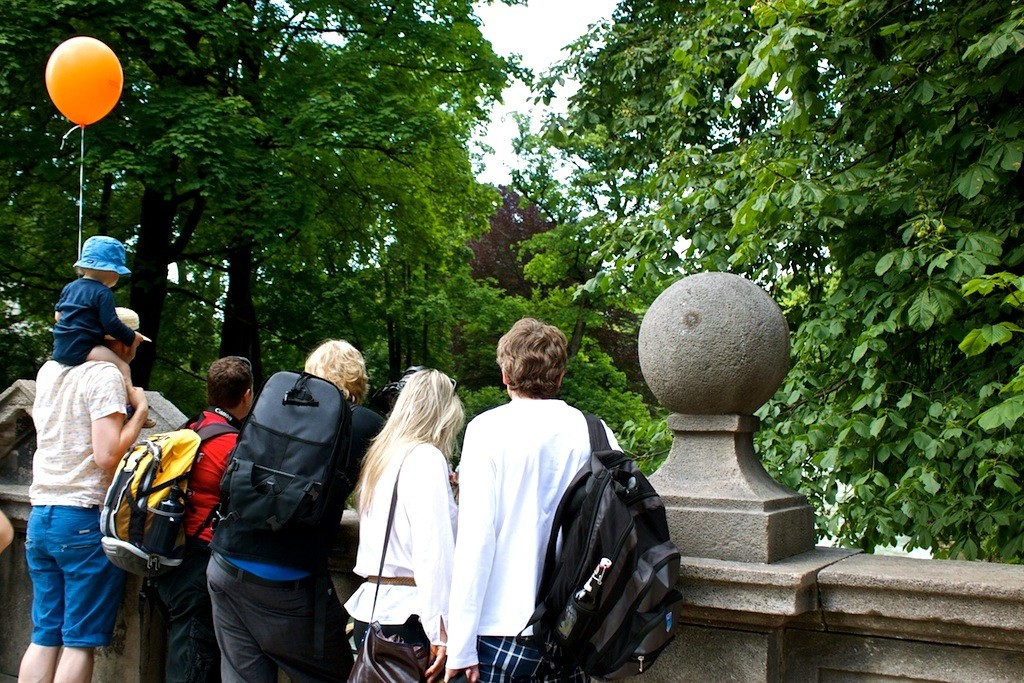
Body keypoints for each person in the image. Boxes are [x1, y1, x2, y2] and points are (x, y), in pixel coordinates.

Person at [445, 318, 619, 683]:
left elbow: (475, 542)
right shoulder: (595, 430)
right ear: (560, 375)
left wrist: (460, 646)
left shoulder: (487, 429)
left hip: (501, 626)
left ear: (506, 375)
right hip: (572, 627)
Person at [208, 339, 385, 683]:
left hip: (225, 562)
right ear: (357, 379)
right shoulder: (364, 423)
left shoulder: (274, 406)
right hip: (285, 581)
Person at [19, 306, 150, 683]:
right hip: (81, 518)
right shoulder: (104, 375)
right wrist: (139, 410)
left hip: (41, 514)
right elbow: (107, 455)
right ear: (122, 341)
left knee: (44, 635)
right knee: (78, 642)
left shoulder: (50, 370)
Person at [346, 369, 463, 683]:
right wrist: (443, 630)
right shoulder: (426, 458)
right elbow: (433, 551)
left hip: (372, 613)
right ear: (443, 413)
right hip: (408, 620)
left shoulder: (382, 455)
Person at [155, 356, 254, 683]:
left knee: (184, 648)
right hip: (201, 560)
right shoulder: (231, 444)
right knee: (193, 661)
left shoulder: (190, 429)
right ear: (246, 396)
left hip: (173, 548)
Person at [52, 235, 148, 387]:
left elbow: (58, 316)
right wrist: (131, 337)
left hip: (59, 348)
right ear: (112, 272)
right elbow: (110, 324)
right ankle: (129, 398)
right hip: (85, 348)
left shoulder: (70, 287)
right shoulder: (103, 292)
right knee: (123, 368)